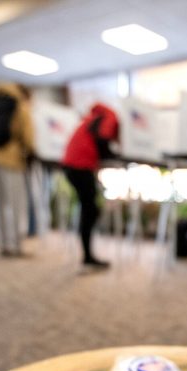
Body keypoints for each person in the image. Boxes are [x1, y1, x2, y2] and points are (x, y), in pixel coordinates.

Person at [62, 103, 120, 268]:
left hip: (72, 166)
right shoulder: (111, 117)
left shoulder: (91, 119)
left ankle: (87, 255)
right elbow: (103, 140)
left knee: (88, 209)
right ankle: (87, 257)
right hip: (80, 166)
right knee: (90, 210)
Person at [0, 83, 34, 257]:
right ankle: (15, 246)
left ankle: (3, 244)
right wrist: (31, 151)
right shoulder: (20, 105)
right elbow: (27, 135)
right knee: (15, 205)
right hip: (12, 160)